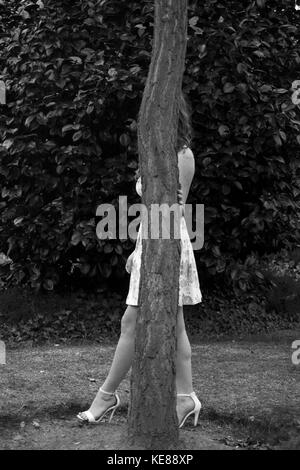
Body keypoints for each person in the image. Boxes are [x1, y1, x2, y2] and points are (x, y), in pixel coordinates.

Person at [77, 91, 202, 428]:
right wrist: (137, 248)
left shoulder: (182, 155)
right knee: (169, 325)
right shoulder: (153, 153)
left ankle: (108, 396)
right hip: (150, 240)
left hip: (166, 244)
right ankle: (185, 397)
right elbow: (152, 210)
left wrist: (151, 250)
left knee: (137, 322)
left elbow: (173, 210)